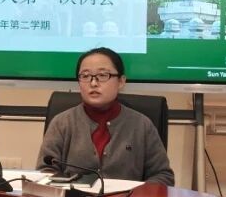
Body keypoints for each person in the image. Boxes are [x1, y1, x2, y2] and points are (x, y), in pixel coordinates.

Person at [37, 47, 174, 185]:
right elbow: (45, 172)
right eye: (85, 76)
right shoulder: (62, 123)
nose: (93, 83)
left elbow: (163, 176)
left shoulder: (142, 125)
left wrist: (136, 194)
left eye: (103, 75)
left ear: (121, 81)